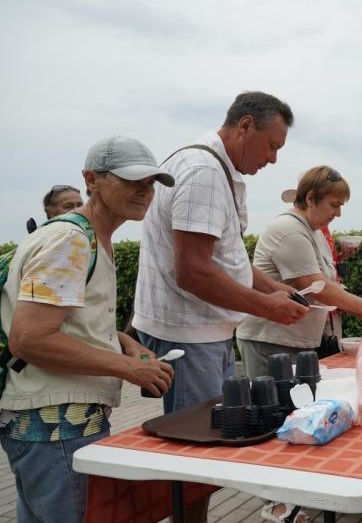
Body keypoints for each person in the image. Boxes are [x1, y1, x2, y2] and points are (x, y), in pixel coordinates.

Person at [0, 136, 176, 523]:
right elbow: (30, 338)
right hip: (57, 422)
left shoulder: (88, 237)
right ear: (91, 179)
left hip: (55, 420)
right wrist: (130, 369)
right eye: (131, 180)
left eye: (150, 182)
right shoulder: (71, 240)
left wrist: (125, 341)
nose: (144, 191)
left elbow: (68, 320)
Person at [133, 91, 309, 417]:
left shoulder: (213, 167)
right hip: (189, 337)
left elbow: (225, 257)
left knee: (217, 425)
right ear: (245, 126)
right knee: (201, 435)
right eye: (272, 146)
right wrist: (267, 306)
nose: (273, 159)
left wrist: (272, 288)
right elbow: (193, 272)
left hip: (200, 334)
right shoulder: (205, 173)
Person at [237, 165, 362, 372]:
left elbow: (325, 281)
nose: (339, 213)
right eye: (334, 205)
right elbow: (317, 286)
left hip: (295, 341)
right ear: (310, 199)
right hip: (271, 342)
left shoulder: (314, 230)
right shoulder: (289, 230)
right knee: (279, 403)